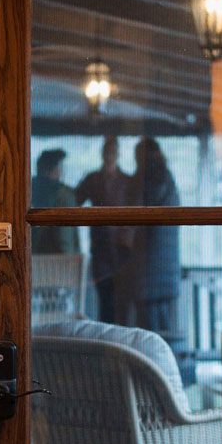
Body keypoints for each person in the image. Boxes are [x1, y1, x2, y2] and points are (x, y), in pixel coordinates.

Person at [125, 136, 181, 341]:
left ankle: (153, 372)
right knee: (163, 328)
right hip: (165, 267)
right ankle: (167, 371)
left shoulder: (150, 179)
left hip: (149, 266)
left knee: (149, 332)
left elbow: (140, 211)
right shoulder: (166, 177)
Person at [75, 135, 131, 322]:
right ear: (102, 154)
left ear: (118, 154)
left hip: (123, 251)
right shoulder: (92, 179)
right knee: (105, 300)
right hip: (101, 249)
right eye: (107, 152)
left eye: (113, 152)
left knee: (123, 301)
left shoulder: (127, 182)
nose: (109, 156)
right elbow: (74, 200)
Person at [30, 148, 79, 253]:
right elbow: (65, 240)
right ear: (52, 169)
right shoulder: (64, 195)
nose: (62, 171)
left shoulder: (25, 191)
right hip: (56, 262)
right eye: (60, 167)